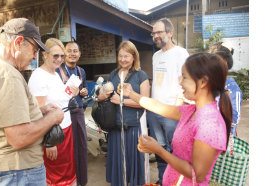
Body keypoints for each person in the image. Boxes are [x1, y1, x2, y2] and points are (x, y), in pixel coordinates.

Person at [0, 18, 64, 186]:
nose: (34, 57)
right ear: (19, 42)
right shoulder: (6, 74)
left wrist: (39, 111)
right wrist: (53, 117)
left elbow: (0, 115)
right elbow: (19, 137)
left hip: (5, 168)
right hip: (20, 170)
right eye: (34, 50)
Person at [120, 52, 232, 185]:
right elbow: (158, 106)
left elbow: (197, 175)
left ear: (203, 82)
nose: (179, 82)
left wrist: (159, 150)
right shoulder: (192, 111)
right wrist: (131, 94)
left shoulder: (210, 124)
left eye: (184, 77)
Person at [28, 38, 79, 186]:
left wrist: (71, 93)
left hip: (65, 128)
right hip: (54, 133)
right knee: (57, 175)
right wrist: (50, 142)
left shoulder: (55, 74)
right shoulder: (39, 76)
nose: (59, 59)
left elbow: (57, 101)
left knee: (67, 171)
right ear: (44, 55)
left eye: (62, 56)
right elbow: (38, 112)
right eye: (55, 55)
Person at [98, 41, 150, 186]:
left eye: (126, 56)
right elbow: (105, 96)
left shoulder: (141, 75)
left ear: (134, 57)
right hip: (115, 127)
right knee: (118, 165)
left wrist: (121, 101)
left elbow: (144, 102)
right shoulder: (113, 74)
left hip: (133, 127)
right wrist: (101, 95)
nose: (123, 59)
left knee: (132, 164)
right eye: (120, 56)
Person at [147, 17, 189, 184]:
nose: (156, 36)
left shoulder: (181, 53)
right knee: (159, 149)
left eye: (159, 32)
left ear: (170, 33)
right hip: (155, 111)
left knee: (175, 150)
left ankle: (176, 180)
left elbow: (184, 81)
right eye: (154, 33)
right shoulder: (156, 55)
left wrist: (179, 108)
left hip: (172, 111)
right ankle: (162, 179)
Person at [55, 41, 88, 186]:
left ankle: (82, 180)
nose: (73, 54)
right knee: (68, 147)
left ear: (79, 54)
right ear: (64, 54)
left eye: (75, 51)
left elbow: (84, 89)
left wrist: (84, 92)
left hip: (78, 112)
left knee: (81, 145)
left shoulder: (81, 71)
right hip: (65, 113)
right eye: (70, 51)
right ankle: (70, 179)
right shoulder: (57, 71)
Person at [209, 42, 243, 136]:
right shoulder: (209, 83)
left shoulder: (232, 88)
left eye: (213, 61)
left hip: (222, 139)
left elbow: (233, 119)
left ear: (224, 63)